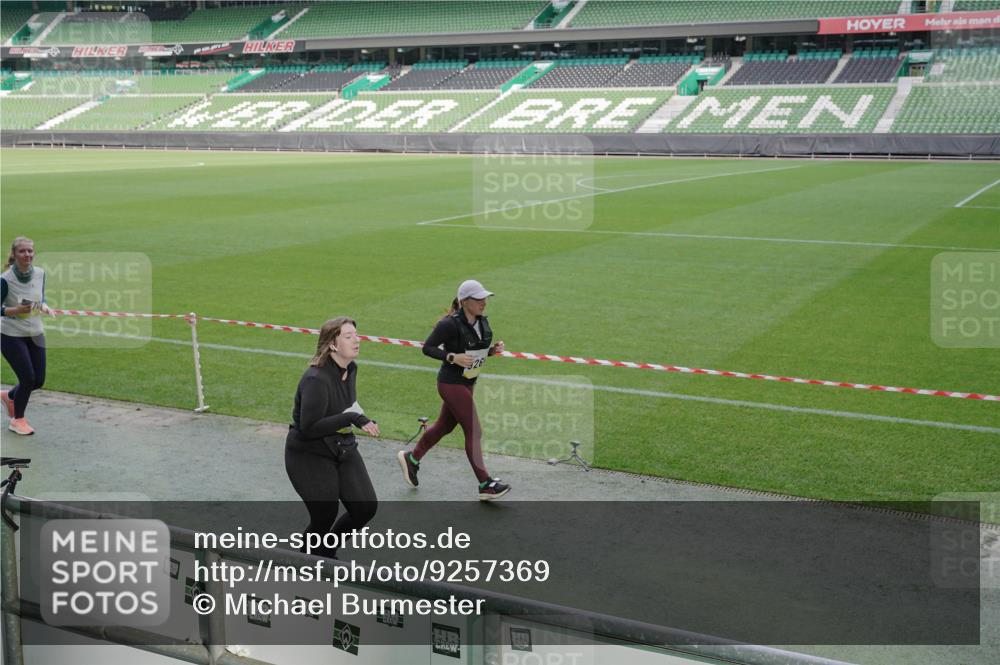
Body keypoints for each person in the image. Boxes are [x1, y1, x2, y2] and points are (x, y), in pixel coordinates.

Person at [397, 279, 510, 501]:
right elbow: (428, 348)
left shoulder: (481, 322)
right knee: (474, 431)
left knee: (444, 426)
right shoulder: (449, 324)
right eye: (478, 299)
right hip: (451, 383)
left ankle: (412, 459)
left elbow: (474, 351)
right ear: (465, 301)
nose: (484, 302)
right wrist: (452, 357)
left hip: (468, 383)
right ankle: (485, 484)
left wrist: (491, 351)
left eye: (485, 298)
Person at [285, 317, 380, 559]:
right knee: (324, 514)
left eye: (356, 334)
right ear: (332, 345)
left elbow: (344, 407)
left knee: (365, 508)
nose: (356, 340)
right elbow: (309, 427)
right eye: (348, 336)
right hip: (309, 453)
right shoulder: (316, 379)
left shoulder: (351, 368)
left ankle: (326, 552)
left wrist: (361, 418)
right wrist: (353, 418)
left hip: (341, 446)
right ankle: (305, 566)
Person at [1, 236, 52, 436]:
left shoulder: (40, 273)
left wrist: (44, 306)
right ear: (14, 255)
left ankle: (9, 396)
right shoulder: (5, 279)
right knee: (28, 378)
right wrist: (15, 310)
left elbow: (40, 297)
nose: (27, 254)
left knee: (38, 380)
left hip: (36, 333)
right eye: (22, 251)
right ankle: (17, 420)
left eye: (30, 251)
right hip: (11, 335)